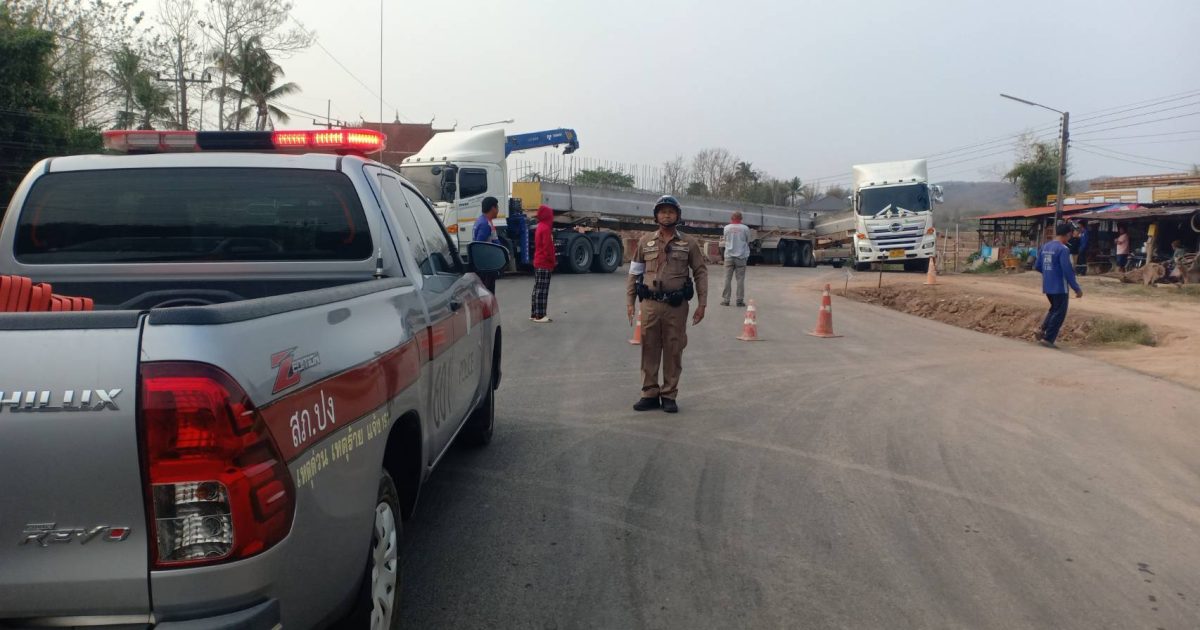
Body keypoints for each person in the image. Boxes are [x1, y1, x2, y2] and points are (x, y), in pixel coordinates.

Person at [626, 195, 708, 414]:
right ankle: (649, 393)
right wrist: (630, 301)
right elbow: (634, 272)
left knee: (673, 349)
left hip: (676, 306)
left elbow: (700, 272)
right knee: (649, 348)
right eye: (662, 212)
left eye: (671, 212)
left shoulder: (689, 243)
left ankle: (669, 394)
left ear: (678, 216)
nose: (667, 215)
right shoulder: (645, 241)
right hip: (650, 305)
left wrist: (702, 303)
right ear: (656, 216)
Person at [1034, 222, 1083, 348]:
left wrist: (1048, 273)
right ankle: (1048, 339)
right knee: (1060, 312)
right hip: (1060, 286)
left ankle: (1042, 329)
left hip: (1047, 285)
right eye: (1070, 235)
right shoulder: (1063, 249)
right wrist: (1076, 288)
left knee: (1054, 309)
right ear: (1067, 234)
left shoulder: (1045, 246)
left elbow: (1037, 266)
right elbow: (1067, 270)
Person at [530, 205, 556, 323]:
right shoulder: (546, 228)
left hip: (538, 261)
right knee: (542, 290)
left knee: (537, 289)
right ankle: (540, 315)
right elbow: (548, 248)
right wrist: (552, 261)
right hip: (544, 263)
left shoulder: (540, 226)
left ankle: (534, 313)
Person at [720, 211, 751, 307]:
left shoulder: (726, 228)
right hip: (741, 257)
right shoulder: (745, 228)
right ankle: (739, 300)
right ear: (741, 218)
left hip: (729, 256)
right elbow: (748, 241)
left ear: (731, 218)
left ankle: (726, 300)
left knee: (727, 278)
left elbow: (726, 240)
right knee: (740, 279)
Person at [473, 196, 501, 293]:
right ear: (493, 208)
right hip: (486, 267)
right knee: (487, 294)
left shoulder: (484, 221)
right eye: (497, 207)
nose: (498, 210)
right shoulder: (485, 224)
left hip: (487, 266)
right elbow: (479, 246)